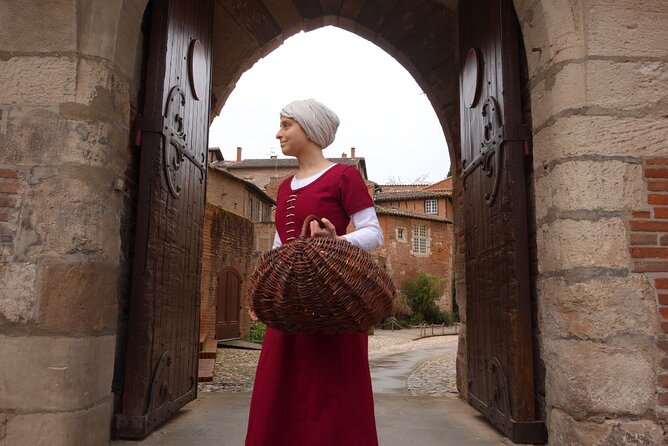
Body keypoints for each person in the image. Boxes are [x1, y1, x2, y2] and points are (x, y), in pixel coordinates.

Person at [245, 99, 384, 446]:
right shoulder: (283, 187)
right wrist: (263, 292)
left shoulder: (343, 176)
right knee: (280, 392)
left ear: (309, 129)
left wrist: (337, 240)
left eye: (287, 124)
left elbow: (374, 232)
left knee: (331, 398)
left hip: (331, 308)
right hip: (290, 309)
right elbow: (279, 244)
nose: (279, 133)